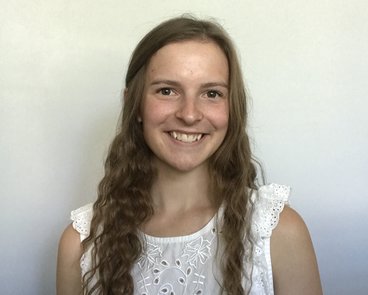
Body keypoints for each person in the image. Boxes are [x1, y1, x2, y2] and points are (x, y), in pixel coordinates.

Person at [57, 16, 322, 295]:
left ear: (232, 108)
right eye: (167, 90)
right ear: (134, 105)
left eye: (211, 93)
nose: (189, 114)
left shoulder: (278, 233)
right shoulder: (81, 244)